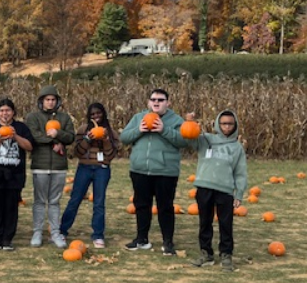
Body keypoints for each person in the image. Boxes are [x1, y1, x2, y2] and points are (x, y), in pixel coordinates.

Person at [120, 88, 190, 255]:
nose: (156, 102)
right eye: (153, 99)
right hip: (140, 170)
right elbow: (124, 138)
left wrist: (163, 129)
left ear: (168, 102)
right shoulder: (139, 118)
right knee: (141, 205)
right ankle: (141, 239)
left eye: (160, 100)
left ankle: (168, 242)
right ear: (148, 102)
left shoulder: (175, 120)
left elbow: (184, 140)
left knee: (165, 207)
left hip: (165, 171)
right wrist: (139, 130)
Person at [188, 110, 248, 271]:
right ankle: (206, 253)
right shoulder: (206, 140)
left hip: (225, 190)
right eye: (223, 123)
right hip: (204, 187)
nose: (226, 127)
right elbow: (189, 138)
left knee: (225, 223)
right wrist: (190, 122)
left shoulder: (237, 148)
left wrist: (239, 193)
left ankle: (226, 254)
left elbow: (240, 173)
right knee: (205, 222)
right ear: (217, 124)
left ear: (235, 125)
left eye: (230, 124)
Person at [59, 103, 119, 249]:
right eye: (92, 115)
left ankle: (98, 235)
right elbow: (77, 153)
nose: (96, 117)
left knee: (99, 202)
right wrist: (87, 139)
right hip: (84, 168)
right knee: (75, 199)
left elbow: (111, 155)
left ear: (103, 114)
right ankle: (62, 231)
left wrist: (104, 140)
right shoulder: (82, 129)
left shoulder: (111, 132)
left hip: (102, 169)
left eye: (98, 113)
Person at [0, 98, 33, 251]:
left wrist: (15, 136)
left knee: (11, 208)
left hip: (14, 174)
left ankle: (8, 239)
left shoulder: (21, 128)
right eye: (2, 110)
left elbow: (29, 146)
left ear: (13, 112)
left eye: (8, 110)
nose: (5, 113)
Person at [25, 85, 75, 247]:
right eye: (47, 100)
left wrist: (57, 134)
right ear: (41, 101)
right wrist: (55, 142)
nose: (50, 102)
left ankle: (55, 232)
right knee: (39, 201)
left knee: (54, 201)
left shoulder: (64, 118)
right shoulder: (33, 117)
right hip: (40, 164)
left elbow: (70, 137)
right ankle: (37, 232)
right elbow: (34, 136)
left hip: (59, 166)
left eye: (53, 99)